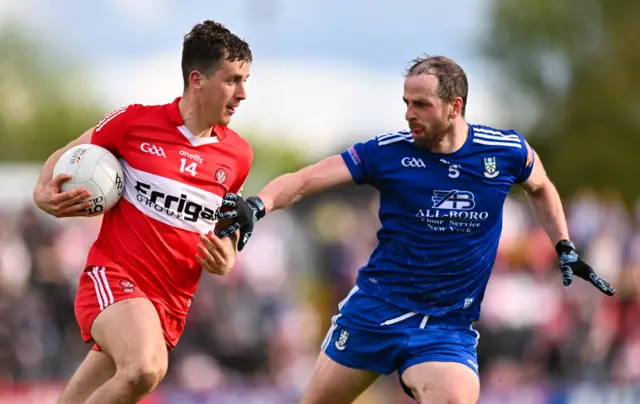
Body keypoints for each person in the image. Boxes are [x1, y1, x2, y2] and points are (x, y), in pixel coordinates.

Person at [215, 55, 616, 404]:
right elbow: (305, 180)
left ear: (454, 106)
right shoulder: (387, 153)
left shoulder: (505, 151)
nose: (409, 114)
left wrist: (564, 244)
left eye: (421, 104)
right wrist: (258, 204)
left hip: (445, 327)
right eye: (406, 103)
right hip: (375, 312)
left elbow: (542, 187)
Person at [32, 20, 253, 404]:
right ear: (197, 79)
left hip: (170, 303)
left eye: (246, 80)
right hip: (113, 277)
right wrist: (41, 194)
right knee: (145, 368)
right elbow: (67, 154)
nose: (243, 93)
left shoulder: (238, 156)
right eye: (233, 80)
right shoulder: (135, 123)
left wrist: (226, 258)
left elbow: (227, 226)